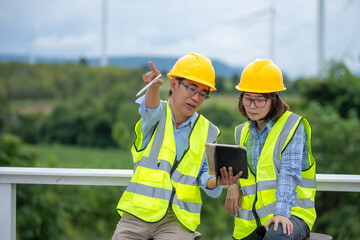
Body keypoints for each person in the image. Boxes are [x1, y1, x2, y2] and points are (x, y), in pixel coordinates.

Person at [112, 53, 241, 240]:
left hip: (177, 220)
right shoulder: (155, 117)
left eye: (202, 94)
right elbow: (149, 109)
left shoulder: (208, 130)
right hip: (137, 214)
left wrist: (220, 180)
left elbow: (204, 176)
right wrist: (154, 87)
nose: (196, 98)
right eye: (191, 89)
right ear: (173, 85)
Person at [225, 59, 317, 240]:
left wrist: (281, 213)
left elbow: (289, 174)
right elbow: (244, 174)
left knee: (276, 236)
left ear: (274, 99)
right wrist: (233, 185)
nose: (252, 105)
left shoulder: (293, 126)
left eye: (259, 99)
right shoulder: (241, 132)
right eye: (247, 98)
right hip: (255, 221)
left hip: (292, 214)